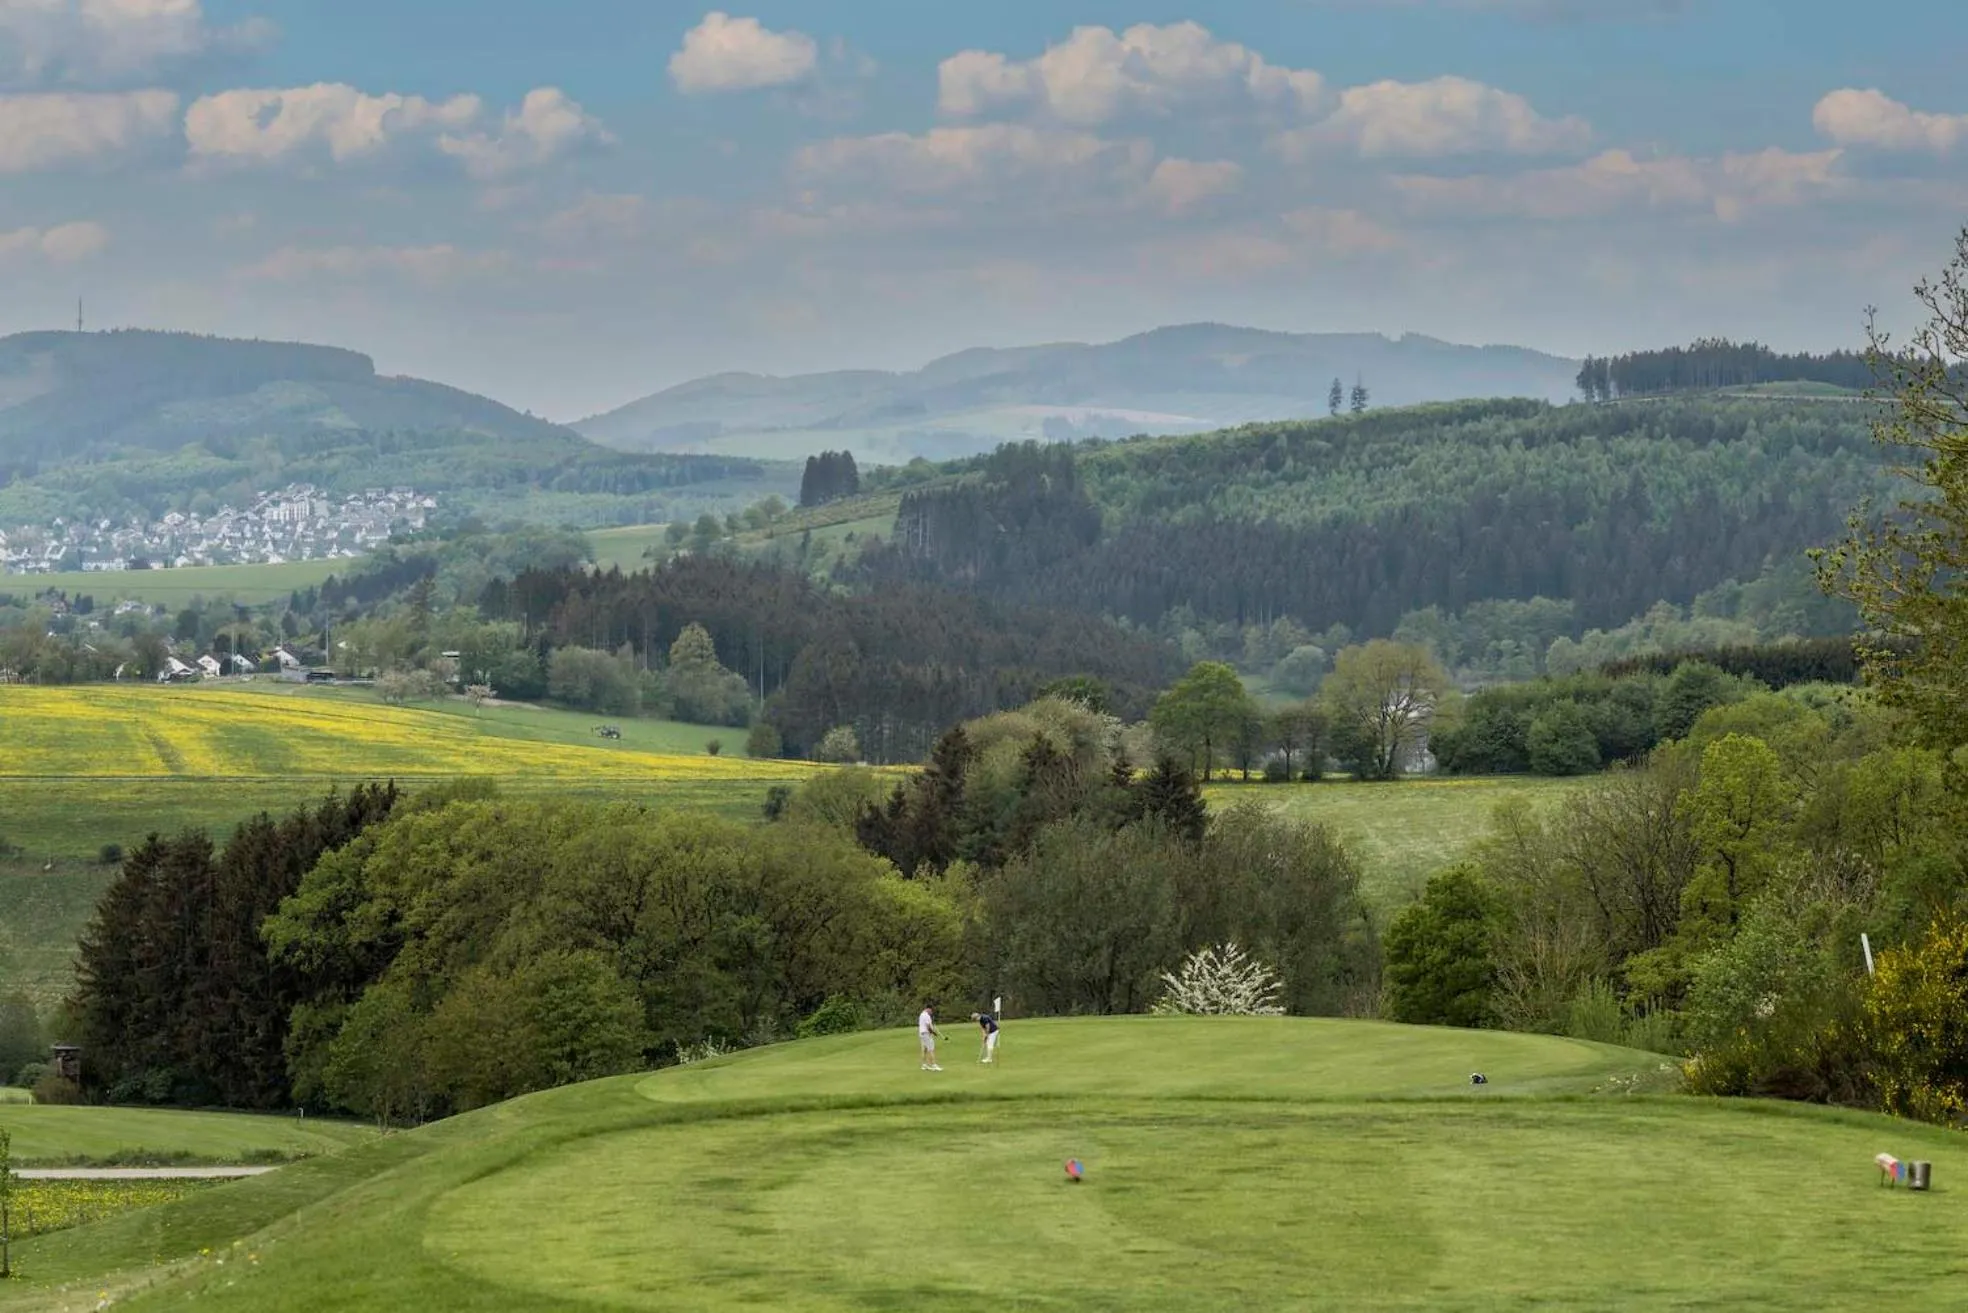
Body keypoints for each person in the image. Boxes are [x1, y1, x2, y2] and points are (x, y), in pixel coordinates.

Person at [918, 1003, 942, 1071]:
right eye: (931, 1010)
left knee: (924, 1050)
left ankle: (924, 1065)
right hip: (926, 1034)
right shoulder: (926, 1015)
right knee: (931, 1049)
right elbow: (928, 1027)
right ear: (928, 1009)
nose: (931, 1012)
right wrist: (933, 1033)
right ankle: (934, 1065)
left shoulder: (921, 1014)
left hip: (922, 1034)